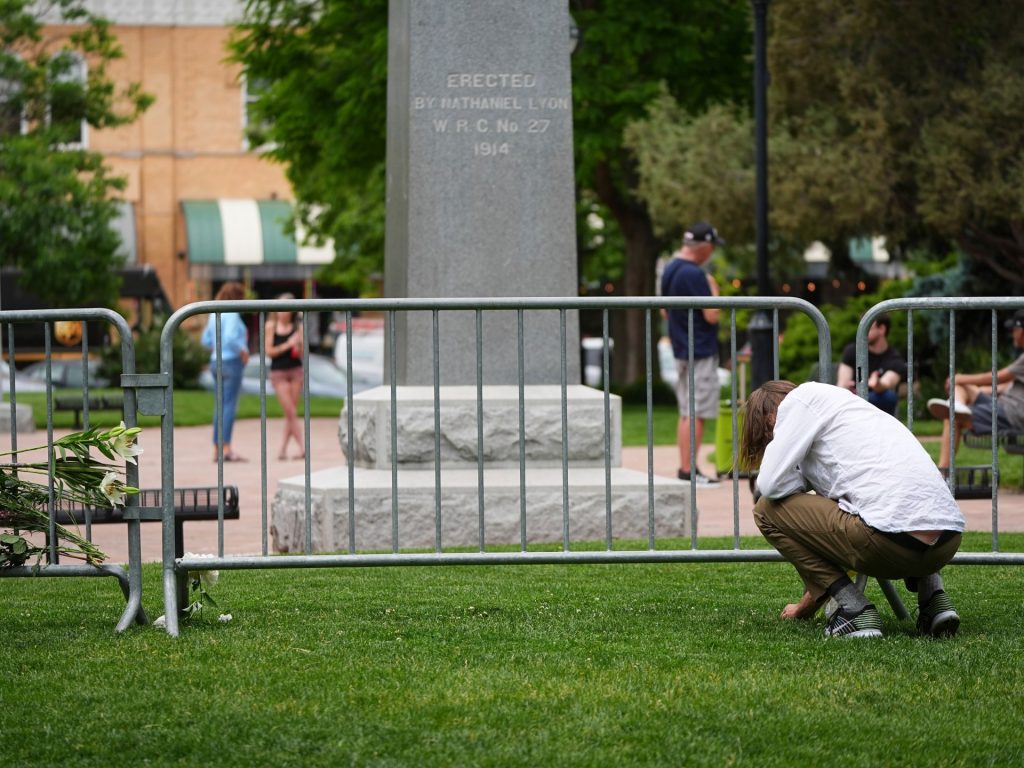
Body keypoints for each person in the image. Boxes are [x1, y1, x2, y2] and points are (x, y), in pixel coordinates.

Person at [739, 379, 964, 639]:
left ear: (769, 417)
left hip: (890, 547)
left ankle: (854, 610)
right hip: (947, 543)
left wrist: (795, 478)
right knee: (901, 507)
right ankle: (935, 602)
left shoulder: (798, 401)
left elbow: (769, 484)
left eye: (768, 435)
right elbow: (834, 536)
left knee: (766, 510)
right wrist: (804, 608)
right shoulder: (851, 412)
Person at [661, 221, 724, 487]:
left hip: (682, 347)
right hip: (699, 348)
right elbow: (711, 314)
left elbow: (664, 310)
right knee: (696, 411)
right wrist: (714, 289)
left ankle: (686, 468)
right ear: (706, 247)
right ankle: (690, 471)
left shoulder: (670, 269)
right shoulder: (695, 274)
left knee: (687, 410)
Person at [927, 309, 1024, 470]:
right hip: (1007, 404)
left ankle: (942, 473)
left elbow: (998, 376)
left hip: (1013, 412)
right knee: (962, 390)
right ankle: (956, 404)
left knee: (951, 417)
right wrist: (975, 389)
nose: (1012, 334)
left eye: (1014, 329)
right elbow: (1007, 386)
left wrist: (959, 378)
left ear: (1022, 331)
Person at [201, 282, 250, 462]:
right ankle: (226, 448)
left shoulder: (214, 314)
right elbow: (230, 337)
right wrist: (242, 351)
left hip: (216, 361)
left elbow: (205, 340)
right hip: (231, 361)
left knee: (219, 406)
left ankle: (217, 448)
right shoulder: (233, 313)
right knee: (229, 406)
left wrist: (217, 347)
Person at [836, 313, 907, 415]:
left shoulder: (895, 359)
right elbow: (841, 385)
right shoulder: (852, 351)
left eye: (867, 326)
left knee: (887, 396)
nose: (862, 331)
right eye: (861, 327)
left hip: (877, 408)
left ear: (881, 329)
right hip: (850, 405)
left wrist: (877, 383)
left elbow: (887, 383)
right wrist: (848, 388)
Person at [265, 294, 305, 460]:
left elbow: (301, 353)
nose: (283, 312)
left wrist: (299, 343)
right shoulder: (270, 326)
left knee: (291, 413)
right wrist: (288, 344)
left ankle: (282, 449)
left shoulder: (297, 327)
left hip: (295, 370)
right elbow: (269, 351)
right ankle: (303, 447)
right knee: (289, 410)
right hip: (279, 372)